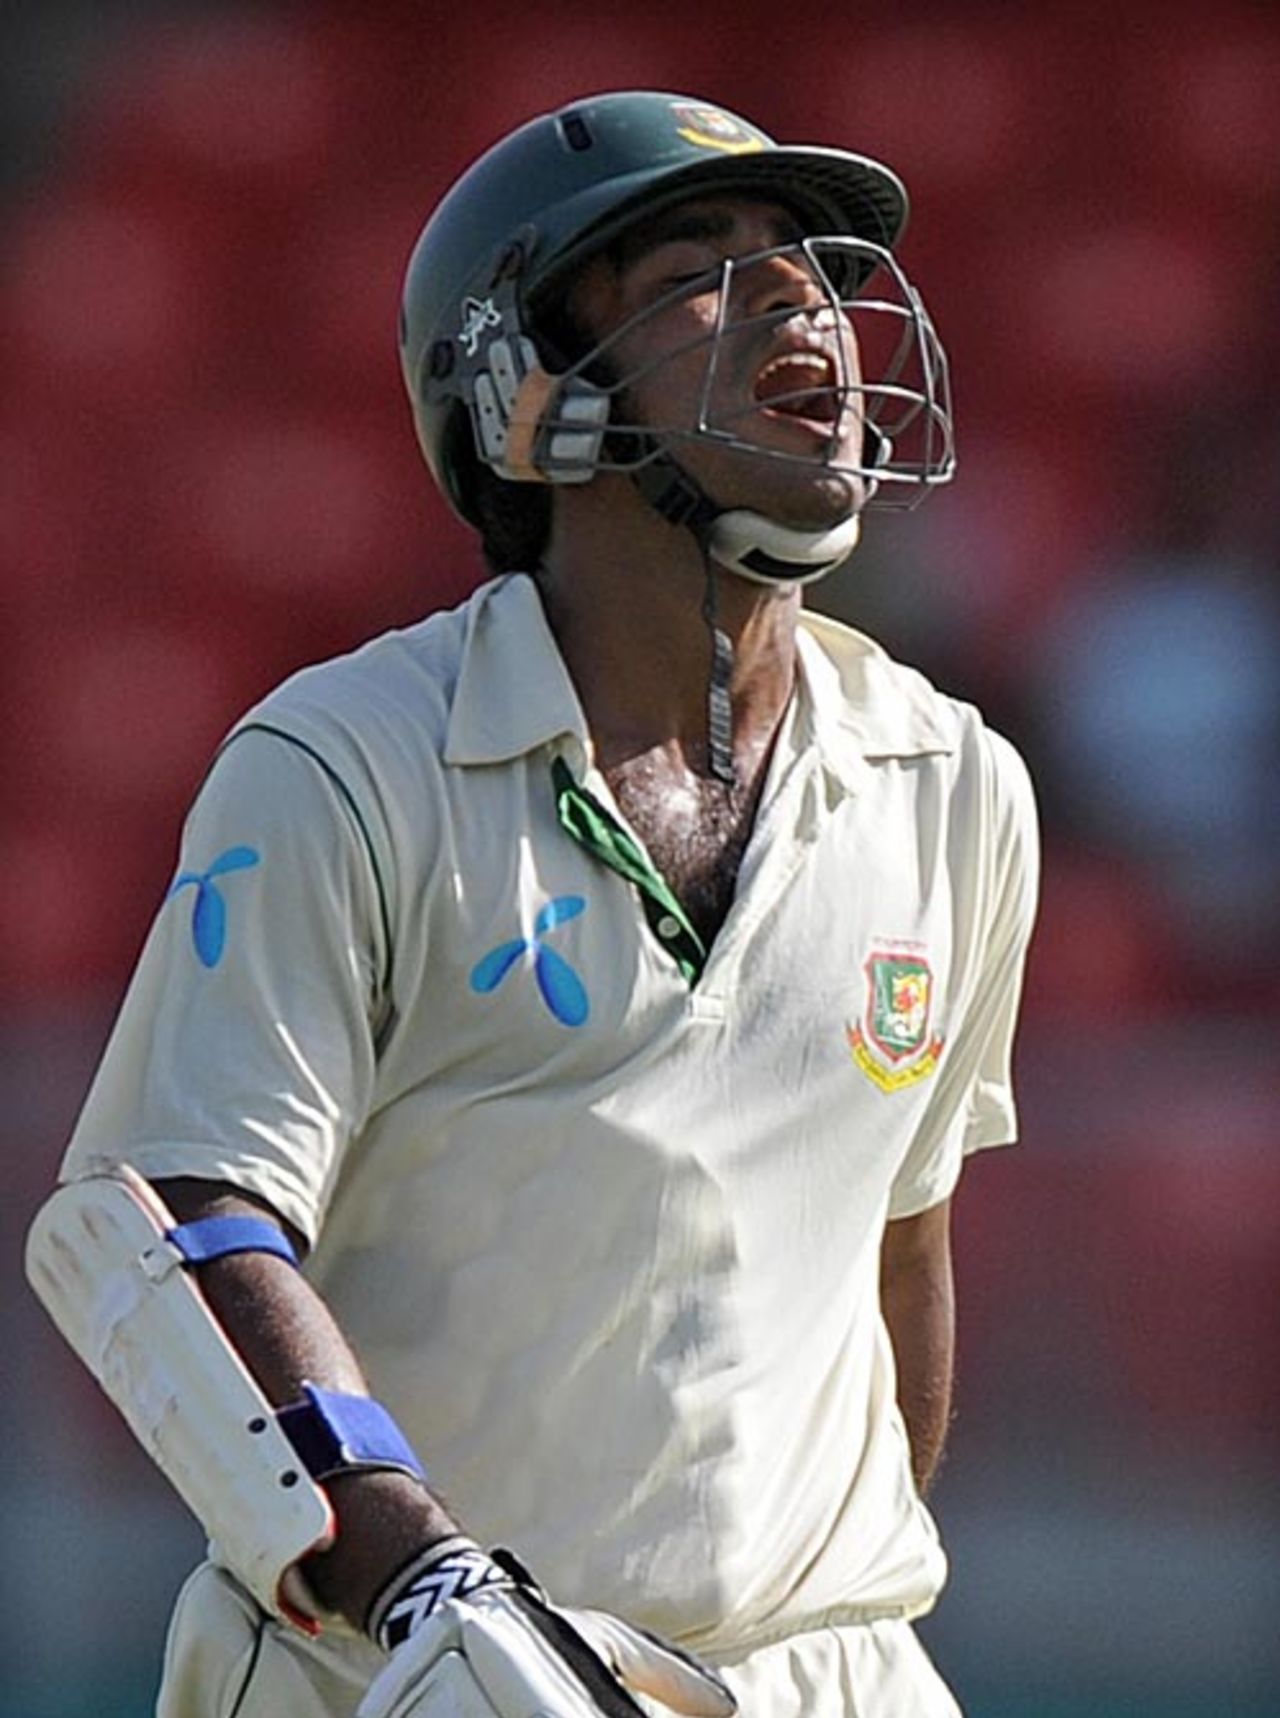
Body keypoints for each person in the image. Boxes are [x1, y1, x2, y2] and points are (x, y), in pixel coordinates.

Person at [26, 90, 1039, 1718]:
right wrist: (423, 1586)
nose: (798, 302)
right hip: (406, 1673)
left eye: (804, 262)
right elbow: (182, 1225)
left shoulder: (957, 784)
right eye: (697, 268)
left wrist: (812, 1613)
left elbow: (894, 1253)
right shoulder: (342, 762)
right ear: (528, 398)